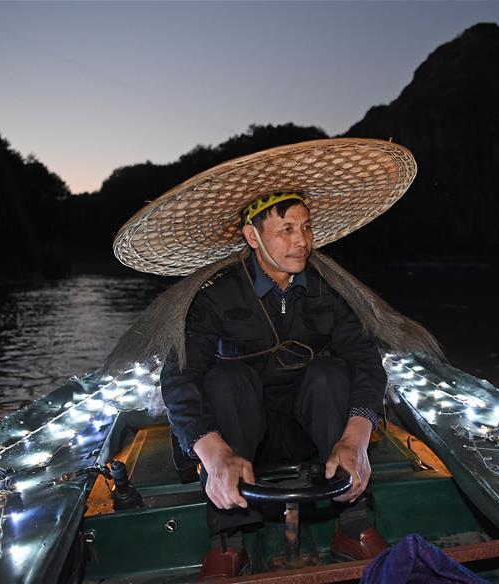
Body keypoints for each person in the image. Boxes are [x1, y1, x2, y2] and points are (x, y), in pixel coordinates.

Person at [106, 139, 443, 580]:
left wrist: (355, 438)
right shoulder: (214, 297)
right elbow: (179, 378)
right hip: (241, 439)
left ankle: (353, 524)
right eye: (286, 229)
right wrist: (214, 453)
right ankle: (228, 539)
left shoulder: (327, 291)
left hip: (310, 435)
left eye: (306, 226)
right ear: (253, 237)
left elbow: (365, 360)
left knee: (330, 372)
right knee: (225, 380)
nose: (302, 240)